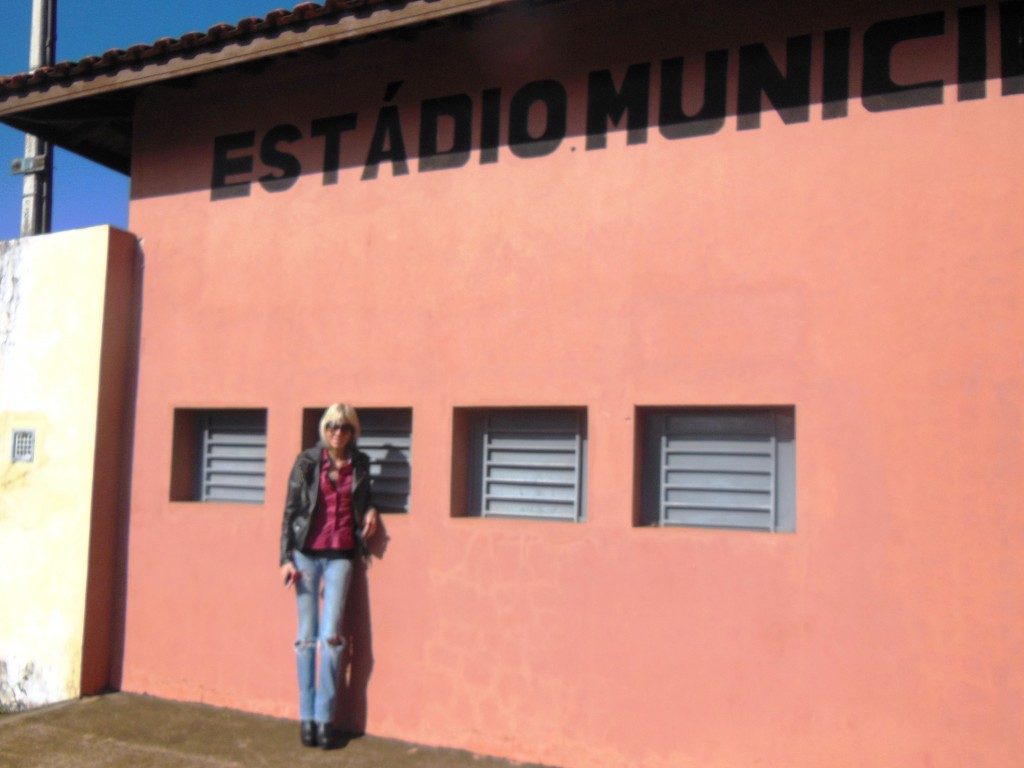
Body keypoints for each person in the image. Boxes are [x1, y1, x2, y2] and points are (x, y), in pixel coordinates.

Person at [279, 403, 379, 749]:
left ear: (353, 431)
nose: (338, 432)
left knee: (332, 638)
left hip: (340, 557)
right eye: (333, 426)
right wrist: (285, 558)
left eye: (345, 427)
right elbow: (291, 510)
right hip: (306, 556)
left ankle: (325, 719)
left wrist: (371, 508)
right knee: (305, 638)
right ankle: (305, 717)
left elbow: (365, 498)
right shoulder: (307, 461)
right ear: (324, 428)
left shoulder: (361, 464)